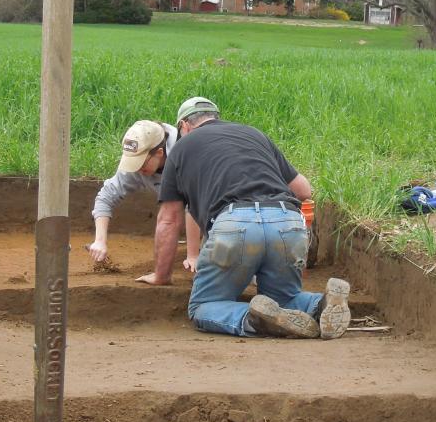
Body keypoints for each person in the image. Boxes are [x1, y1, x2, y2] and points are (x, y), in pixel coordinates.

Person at [144, 96, 351, 340]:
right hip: (287, 222)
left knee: (203, 306)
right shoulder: (254, 134)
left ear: (185, 126)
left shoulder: (180, 148)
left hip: (235, 224)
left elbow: (168, 220)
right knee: (285, 298)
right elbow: (304, 191)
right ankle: (321, 304)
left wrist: (161, 275)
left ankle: (256, 319)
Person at [88, 119, 201, 281]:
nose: (137, 170)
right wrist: (99, 241)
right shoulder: (136, 166)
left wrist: (193, 255)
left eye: (141, 164)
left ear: (159, 153)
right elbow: (105, 197)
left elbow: (195, 202)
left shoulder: (186, 156)